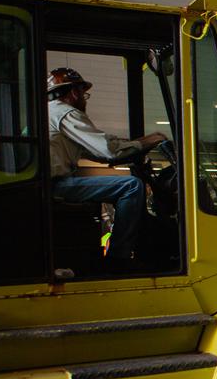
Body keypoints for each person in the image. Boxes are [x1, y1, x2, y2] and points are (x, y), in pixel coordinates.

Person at [48, 67, 166, 266]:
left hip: (50, 184)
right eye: (84, 94)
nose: (84, 99)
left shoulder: (49, 113)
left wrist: (132, 146)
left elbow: (99, 154)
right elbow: (107, 150)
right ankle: (119, 257)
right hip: (57, 185)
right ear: (75, 92)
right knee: (131, 186)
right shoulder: (65, 112)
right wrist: (149, 141)